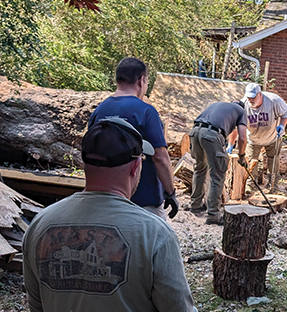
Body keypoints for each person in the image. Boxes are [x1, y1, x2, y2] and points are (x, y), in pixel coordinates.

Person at [22, 118, 196, 312]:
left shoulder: (39, 225)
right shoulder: (155, 234)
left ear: (83, 160)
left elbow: (36, 305)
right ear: (135, 165)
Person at [89, 57, 178, 220]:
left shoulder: (100, 110)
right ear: (141, 80)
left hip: (106, 201)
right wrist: (170, 192)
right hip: (144, 201)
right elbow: (160, 157)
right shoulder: (146, 112)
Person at [189, 101, 248, 225]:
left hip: (195, 132)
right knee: (217, 175)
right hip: (211, 135)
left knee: (199, 169)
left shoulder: (219, 105)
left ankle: (196, 205)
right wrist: (242, 155)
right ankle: (213, 215)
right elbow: (242, 137)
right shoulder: (241, 111)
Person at [239, 83, 287, 187]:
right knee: (251, 161)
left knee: (273, 159)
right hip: (253, 139)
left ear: (260, 95)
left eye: (253, 97)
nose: (250, 100)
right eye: (248, 97)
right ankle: (250, 185)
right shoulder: (243, 104)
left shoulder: (274, 101)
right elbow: (238, 125)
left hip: (272, 137)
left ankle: (273, 184)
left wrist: (282, 125)